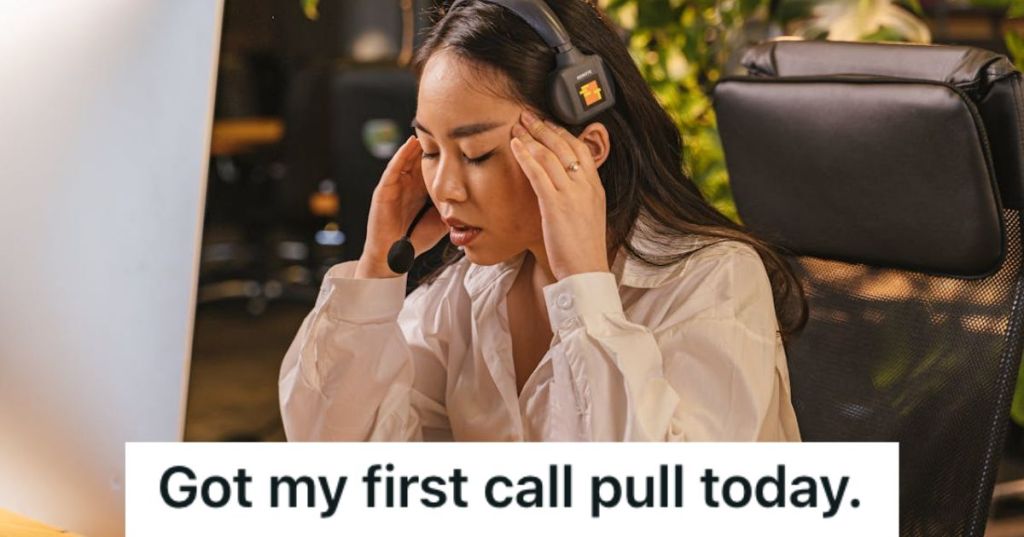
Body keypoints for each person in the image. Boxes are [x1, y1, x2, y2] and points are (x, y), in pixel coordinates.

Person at [278, 0, 807, 441]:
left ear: (586, 149)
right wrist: (376, 272)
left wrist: (583, 287)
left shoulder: (714, 281)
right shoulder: (472, 289)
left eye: (478, 154)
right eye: (431, 150)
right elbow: (335, 453)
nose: (442, 189)